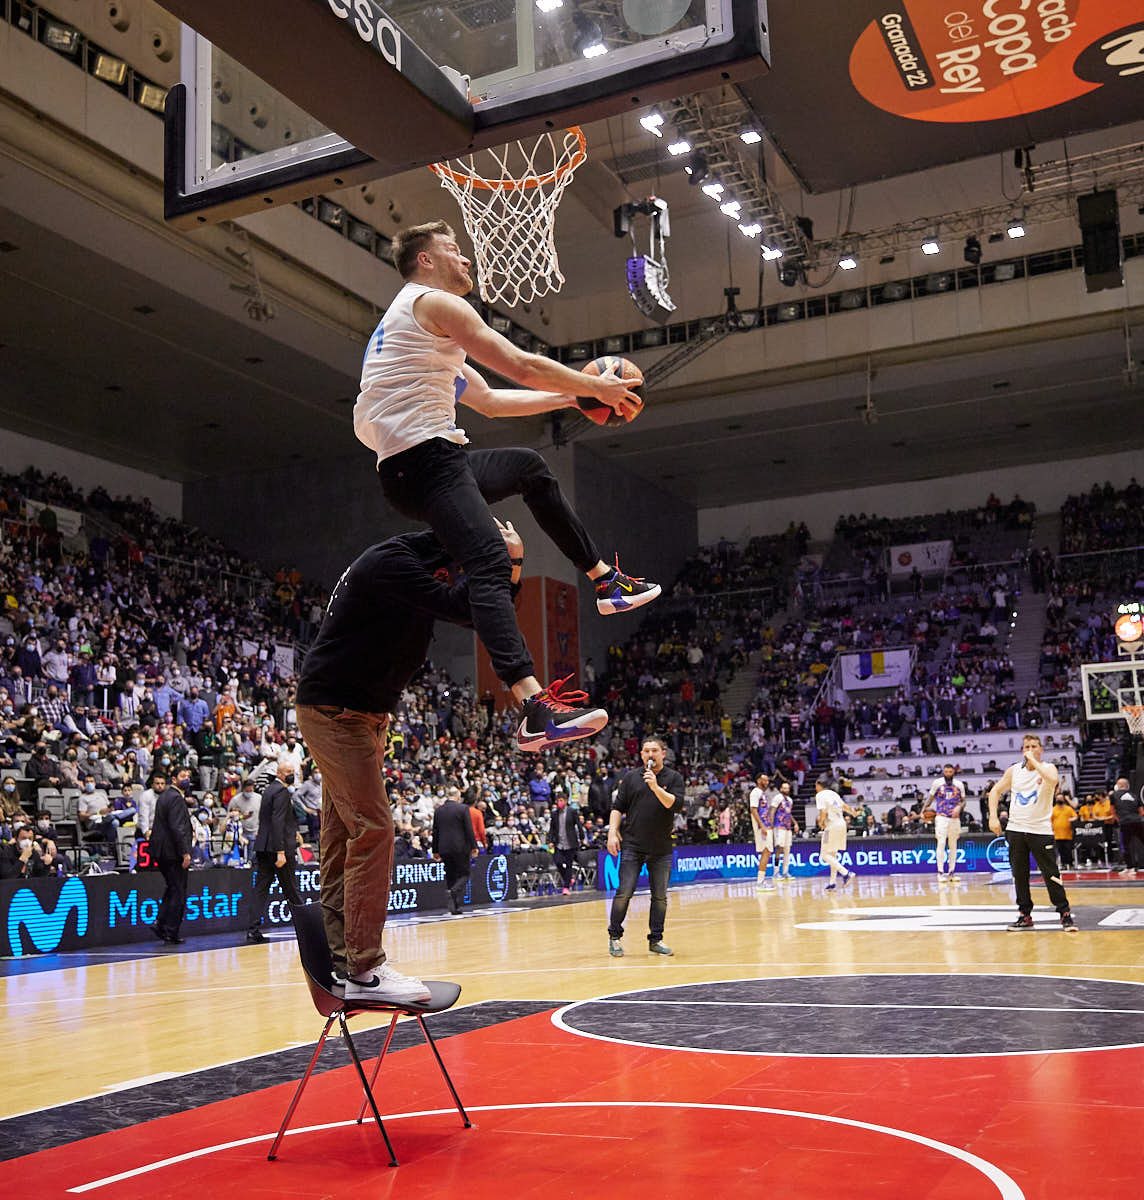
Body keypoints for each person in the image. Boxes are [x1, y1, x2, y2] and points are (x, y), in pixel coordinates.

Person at [354, 220, 658, 751]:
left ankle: (605, 580)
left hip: (419, 460)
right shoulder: (435, 304)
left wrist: (573, 399)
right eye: (453, 250)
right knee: (491, 563)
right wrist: (596, 386)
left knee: (528, 467)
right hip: (422, 459)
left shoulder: (418, 330)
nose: (465, 259)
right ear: (426, 261)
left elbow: (493, 400)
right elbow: (517, 363)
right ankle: (534, 708)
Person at [296, 519, 524, 1005]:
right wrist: (506, 562)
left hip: (362, 716)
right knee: (375, 828)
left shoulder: (427, 566)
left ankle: (343, 961)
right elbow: (471, 606)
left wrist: (511, 566)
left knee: (343, 834)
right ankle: (365, 968)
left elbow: (487, 612)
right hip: (338, 711)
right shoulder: (395, 564)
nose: (466, 575)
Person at [988, 733, 1078, 932]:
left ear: (1040, 749)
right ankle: (1025, 915)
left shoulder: (1048, 768)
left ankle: (1064, 913)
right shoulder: (1013, 771)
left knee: (1051, 874)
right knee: (1019, 875)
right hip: (1016, 829)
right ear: (1022, 750)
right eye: (1026, 746)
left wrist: (1033, 762)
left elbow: (1053, 780)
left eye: (1034, 746)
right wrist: (993, 817)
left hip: (1040, 830)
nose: (1029, 749)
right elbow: (995, 791)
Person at [606, 736, 685, 957]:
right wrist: (613, 831)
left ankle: (655, 940)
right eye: (646, 751)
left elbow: (674, 804)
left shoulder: (674, 777)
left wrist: (655, 786)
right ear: (641, 755)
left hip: (661, 848)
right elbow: (617, 808)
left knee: (659, 897)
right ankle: (615, 936)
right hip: (632, 844)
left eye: (654, 750)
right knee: (624, 892)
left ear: (663, 753)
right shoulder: (631, 778)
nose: (650, 754)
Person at [246, 761, 304, 942]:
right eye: (288, 771)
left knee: (261, 889)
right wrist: (280, 851)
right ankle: (307, 928)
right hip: (278, 849)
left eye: (293, 771)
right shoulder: (280, 791)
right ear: (279, 773)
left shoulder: (269, 790)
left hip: (264, 846)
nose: (291, 774)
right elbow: (277, 822)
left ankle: (252, 929)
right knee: (292, 890)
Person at [149, 766, 194, 945]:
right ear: (174, 779)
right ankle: (170, 930)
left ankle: (161, 923)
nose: (187, 779)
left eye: (188, 776)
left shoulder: (165, 796)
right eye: (183, 776)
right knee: (178, 892)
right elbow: (177, 828)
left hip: (162, 851)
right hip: (172, 852)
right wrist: (185, 852)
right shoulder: (175, 798)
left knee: (172, 888)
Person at [432, 787, 478, 915]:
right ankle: (454, 892)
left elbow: (435, 831)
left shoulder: (438, 810)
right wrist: (474, 846)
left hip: (444, 848)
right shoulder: (463, 809)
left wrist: (435, 850)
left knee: (451, 876)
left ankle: (455, 907)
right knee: (465, 874)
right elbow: (469, 829)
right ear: (458, 796)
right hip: (460, 847)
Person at [815, 774, 858, 890]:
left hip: (832, 825)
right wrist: (853, 813)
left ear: (819, 785)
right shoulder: (834, 794)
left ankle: (846, 873)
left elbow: (823, 811)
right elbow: (844, 806)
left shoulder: (820, 795)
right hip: (842, 824)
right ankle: (832, 882)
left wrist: (821, 823)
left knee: (824, 855)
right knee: (833, 854)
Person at [927, 764, 966, 883]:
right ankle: (940, 873)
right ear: (943, 772)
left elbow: (963, 801)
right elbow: (930, 798)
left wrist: (959, 807)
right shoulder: (937, 783)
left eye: (950, 771)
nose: (948, 773)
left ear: (953, 772)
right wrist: (923, 809)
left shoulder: (959, 784)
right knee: (941, 843)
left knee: (953, 845)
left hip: (954, 817)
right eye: (946, 771)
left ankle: (952, 872)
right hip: (941, 817)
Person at [548, 791, 583, 894]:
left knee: (569, 864)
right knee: (558, 861)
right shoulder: (554, 814)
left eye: (561, 800)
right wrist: (550, 840)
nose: (559, 802)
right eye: (558, 801)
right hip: (559, 842)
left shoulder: (572, 811)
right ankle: (568, 879)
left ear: (566, 801)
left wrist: (581, 837)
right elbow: (552, 829)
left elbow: (578, 825)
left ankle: (566, 887)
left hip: (570, 842)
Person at [1111, 777, 1144, 875]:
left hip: (1125, 823)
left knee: (1124, 845)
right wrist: (1137, 818)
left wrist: (1119, 820)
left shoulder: (1114, 795)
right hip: (1138, 822)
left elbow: (1112, 811)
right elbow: (1141, 811)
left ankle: (1130, 867)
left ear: (1121, 785)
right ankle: (1131, 867)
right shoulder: (1134, 795)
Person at [748, 772, 775, 891]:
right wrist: (762, 826)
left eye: (768, 780)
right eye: (765, 780)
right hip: (761, 827)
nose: (767, 782)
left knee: (767, 852)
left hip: (767, 826)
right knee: (766, 851)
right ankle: (760, 882)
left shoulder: (762, 793)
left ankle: (761, 880)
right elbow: (753, 810)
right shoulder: (755, 792)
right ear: (759, 780)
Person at [769, 780, 799, 879]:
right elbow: (772, 812)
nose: (786, 790)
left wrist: (795, 823)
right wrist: (771, 826)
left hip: (787, 827)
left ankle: (785, 872)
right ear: (781, 789)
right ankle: (776, 872)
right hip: (779, 826)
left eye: (787, 788)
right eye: (784, 788)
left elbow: (788, 813)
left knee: (787, 849)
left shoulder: (790, 800)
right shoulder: (777, 798)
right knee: (779, 848)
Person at [1051, 793, 1079, 869]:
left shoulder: (1068, 809)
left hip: (1067, 833)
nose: (1059, 799)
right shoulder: (1053, 809)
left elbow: (1076, 817)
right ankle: (1063, 864)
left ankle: (1070, 863)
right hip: (1057, 834)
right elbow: (1050, 820)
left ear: (1063, 799)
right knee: (1060, 850)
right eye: (1058, 798)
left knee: (1068, 850)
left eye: (1061, 798)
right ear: (1056, 800)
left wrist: (1071, 819)